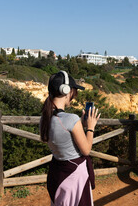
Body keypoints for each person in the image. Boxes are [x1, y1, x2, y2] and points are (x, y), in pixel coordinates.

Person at [40, 71, 101, 206]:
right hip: (74, 177)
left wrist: (80, 125)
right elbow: (86, 150)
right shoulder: (71, 119)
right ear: (66, 91)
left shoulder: (45, 119)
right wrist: (90, 127)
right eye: (74, 91)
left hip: (57, 173)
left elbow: (63, 132)